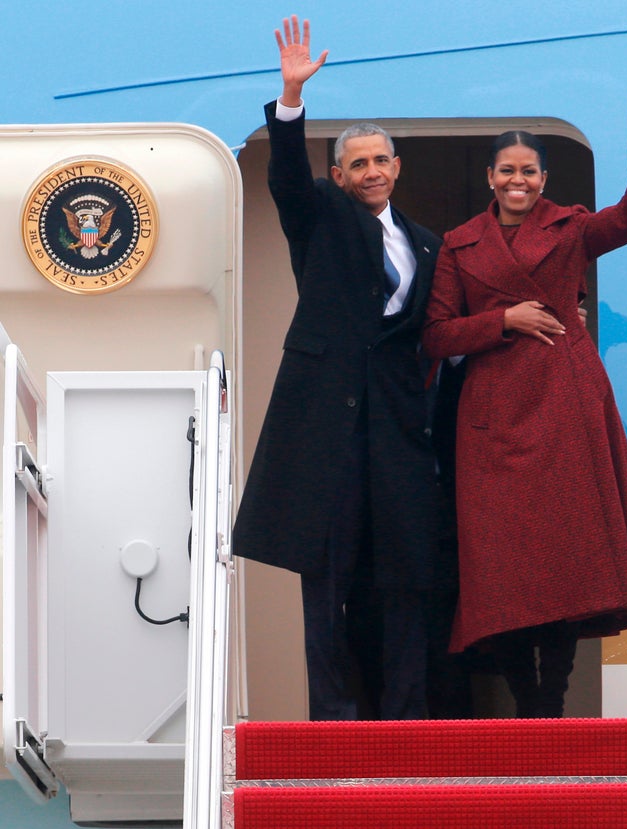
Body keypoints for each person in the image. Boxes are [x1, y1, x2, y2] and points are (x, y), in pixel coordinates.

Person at [422, 81, 627, 718]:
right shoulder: (458, 244)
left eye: (529, 171)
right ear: (490, 176)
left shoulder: (570, 228)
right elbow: (434, 335)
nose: (519, 181)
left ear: (543, 177)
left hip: (564, 406)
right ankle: (527, 702)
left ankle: (552, 704)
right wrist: (503, 320)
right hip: (492, 423)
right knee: (504, 574)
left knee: (566, 565)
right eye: (508, 171)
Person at [233, 16, 456, 720]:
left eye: (379, 161)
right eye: (355, 163)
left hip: (396, 430)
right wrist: (291, 100)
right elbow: (289, 181)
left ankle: (406, 712)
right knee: (324, 573)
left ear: (396, 168)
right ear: (340, 174)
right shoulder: (321, 216)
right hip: (325, 425)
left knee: (405, 574)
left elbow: (443, 325)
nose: (369, 171)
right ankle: (331, 715)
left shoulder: (429, 245)